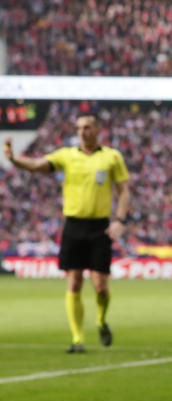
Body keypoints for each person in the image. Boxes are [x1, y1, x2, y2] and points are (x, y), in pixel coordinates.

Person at [4, 115, 130, 353]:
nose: (82, 131)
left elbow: (124, 191)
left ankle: (101, 321)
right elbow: (37, 165)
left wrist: (120, 220)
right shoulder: (66, 155)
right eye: (79, 127)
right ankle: (77, 339)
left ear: (97, 129)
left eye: (87, 127)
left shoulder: (112, 157)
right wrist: (14, 159)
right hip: (73, 226)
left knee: (101, 286)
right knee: (74, 282)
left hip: (100, 227)